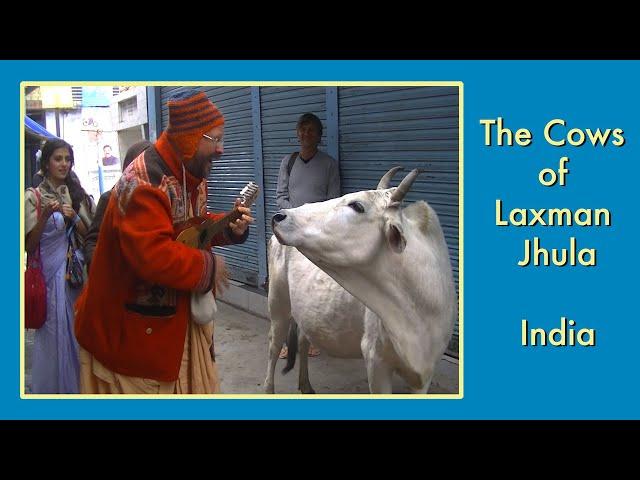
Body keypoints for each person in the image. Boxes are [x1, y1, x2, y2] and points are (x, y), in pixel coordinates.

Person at [74, 89, 254, 394]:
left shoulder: (188, 172)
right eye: (216, 139)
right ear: (190, 140)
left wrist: (228, 227)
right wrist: (210, 267)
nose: (222, 150)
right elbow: (153, 255)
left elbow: (188, 229)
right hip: (130, 337)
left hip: (170, 324)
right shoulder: (143, 183)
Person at [25, 139, 95, 393]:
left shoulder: (75, 194)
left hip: (75, 277)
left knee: (76, 335)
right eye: (58, 158)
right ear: (46, 162)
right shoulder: (32, 197)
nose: (63, 164)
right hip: (49, 279)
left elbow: (91, 235)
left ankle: (77, 390)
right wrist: (45, 216)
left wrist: (73, 216)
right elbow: (30, 247)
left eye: (67, 159)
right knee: (53, 336)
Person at [275, 112, 341, 358]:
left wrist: (311, 221)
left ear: (319, 135)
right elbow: (280, 196)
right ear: (297, 133)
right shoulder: (288, 162)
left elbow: (334, 201)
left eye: (311, 130)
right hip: (291, 236)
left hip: (316, 237)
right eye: (302, 129)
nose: (305, 134)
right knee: (289, 288)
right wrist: (295, 217)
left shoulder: (329, 164)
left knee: (313, 289)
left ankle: (312, 339)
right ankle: (287, 343)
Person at [83, 140, 152, 271]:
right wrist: (100, 269)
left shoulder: (158, 198)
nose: (148, 169)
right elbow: (92, 241)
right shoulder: (110, 198)